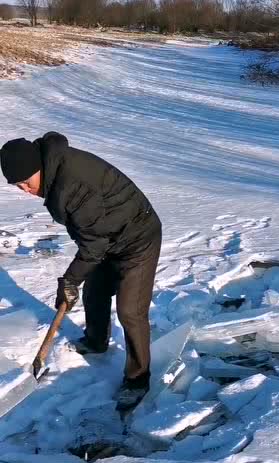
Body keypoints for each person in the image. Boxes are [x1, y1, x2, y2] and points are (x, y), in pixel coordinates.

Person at [0, 132, 162, 408]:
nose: (26, 190)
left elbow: (93, 245)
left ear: (38, 167)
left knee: (130, 310)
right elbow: (89, 234)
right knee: (94, 293)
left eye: (26, 182)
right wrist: (74, 280)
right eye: (18, 186)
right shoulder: (54, 173)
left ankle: (138, 378)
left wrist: (70, 279)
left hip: (137, 238)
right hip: (107, 236)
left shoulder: (70, 186)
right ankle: (96, 341)